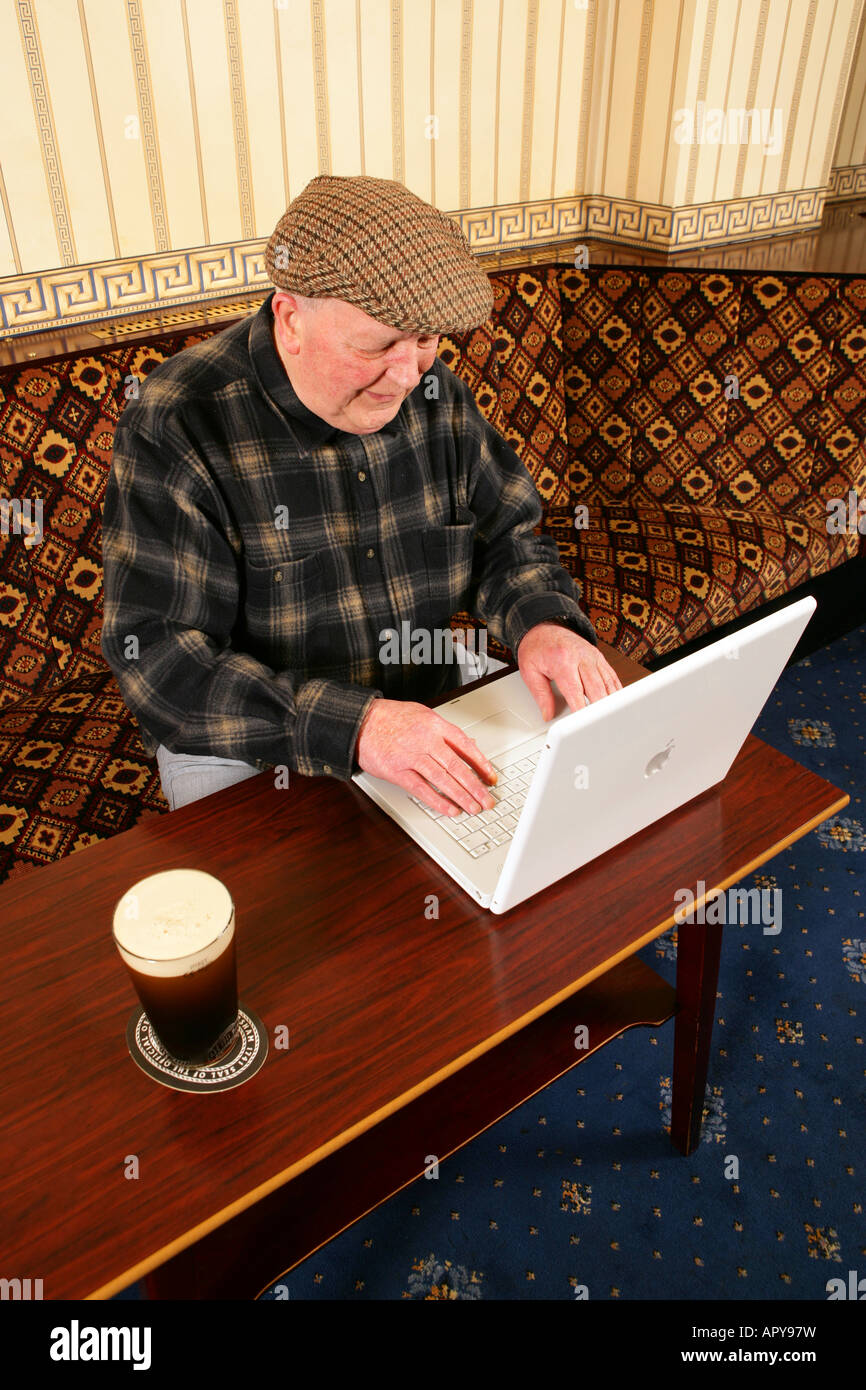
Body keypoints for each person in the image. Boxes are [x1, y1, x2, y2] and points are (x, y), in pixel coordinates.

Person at [101, 175, 621, 815]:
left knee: (580, 825)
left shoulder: (433, 393)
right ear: (291, 320)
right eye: (377, 344)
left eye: (427, 340)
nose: (407, 377)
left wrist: (541, 620)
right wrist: (361, 727)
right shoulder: (179, 421)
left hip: (424, 693)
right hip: (252, 746)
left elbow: (507, 540)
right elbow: (160, 663)